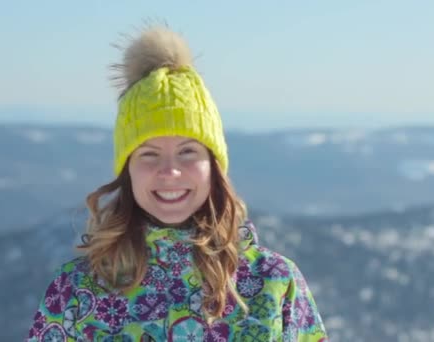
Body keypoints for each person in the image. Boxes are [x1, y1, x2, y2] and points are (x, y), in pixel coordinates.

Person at [26, 24, 328, 341]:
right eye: (149, 154)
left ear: (214, 166)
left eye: (187, 151)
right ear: (127, 170)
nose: (170, 172)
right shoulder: (77, 291)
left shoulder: (273, 283)